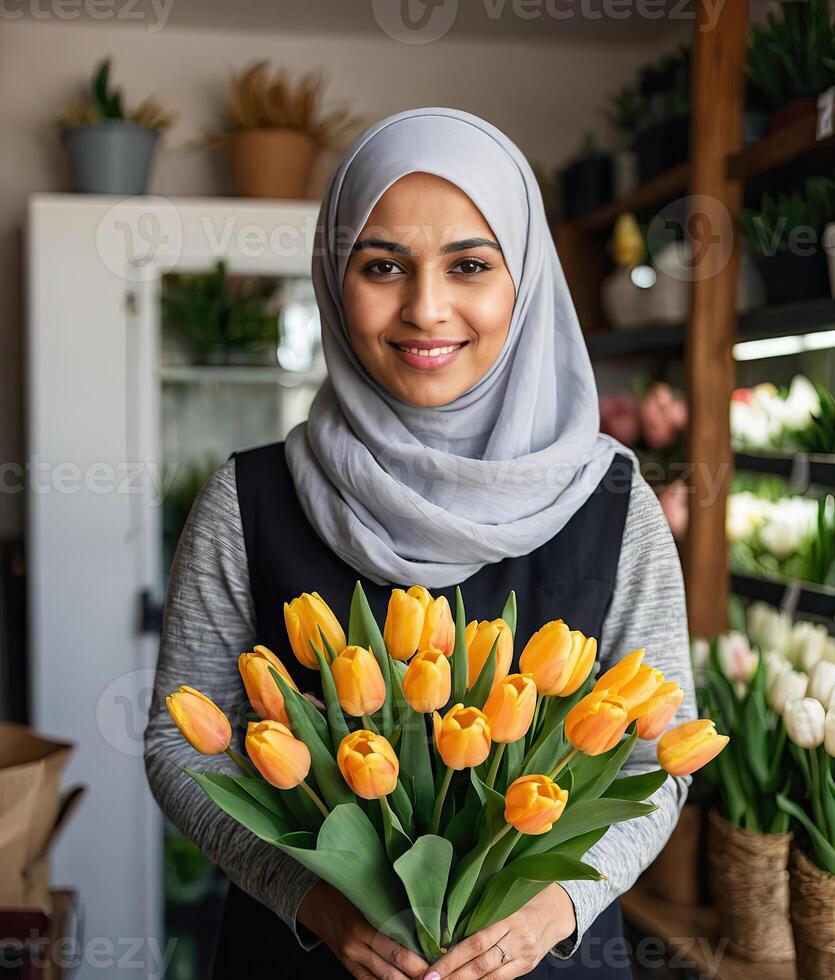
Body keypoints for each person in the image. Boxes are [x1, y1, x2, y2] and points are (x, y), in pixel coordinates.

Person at [143, 106, 697, 980]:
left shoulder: (612, 499)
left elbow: (655, 758)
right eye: (382, 266)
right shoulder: (248, 499)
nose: (425, 309)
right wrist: (316, 902)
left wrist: (555, 908)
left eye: (469, 264)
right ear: (333, 279)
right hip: (306, 958)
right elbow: (182, 749)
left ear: (525, 281)